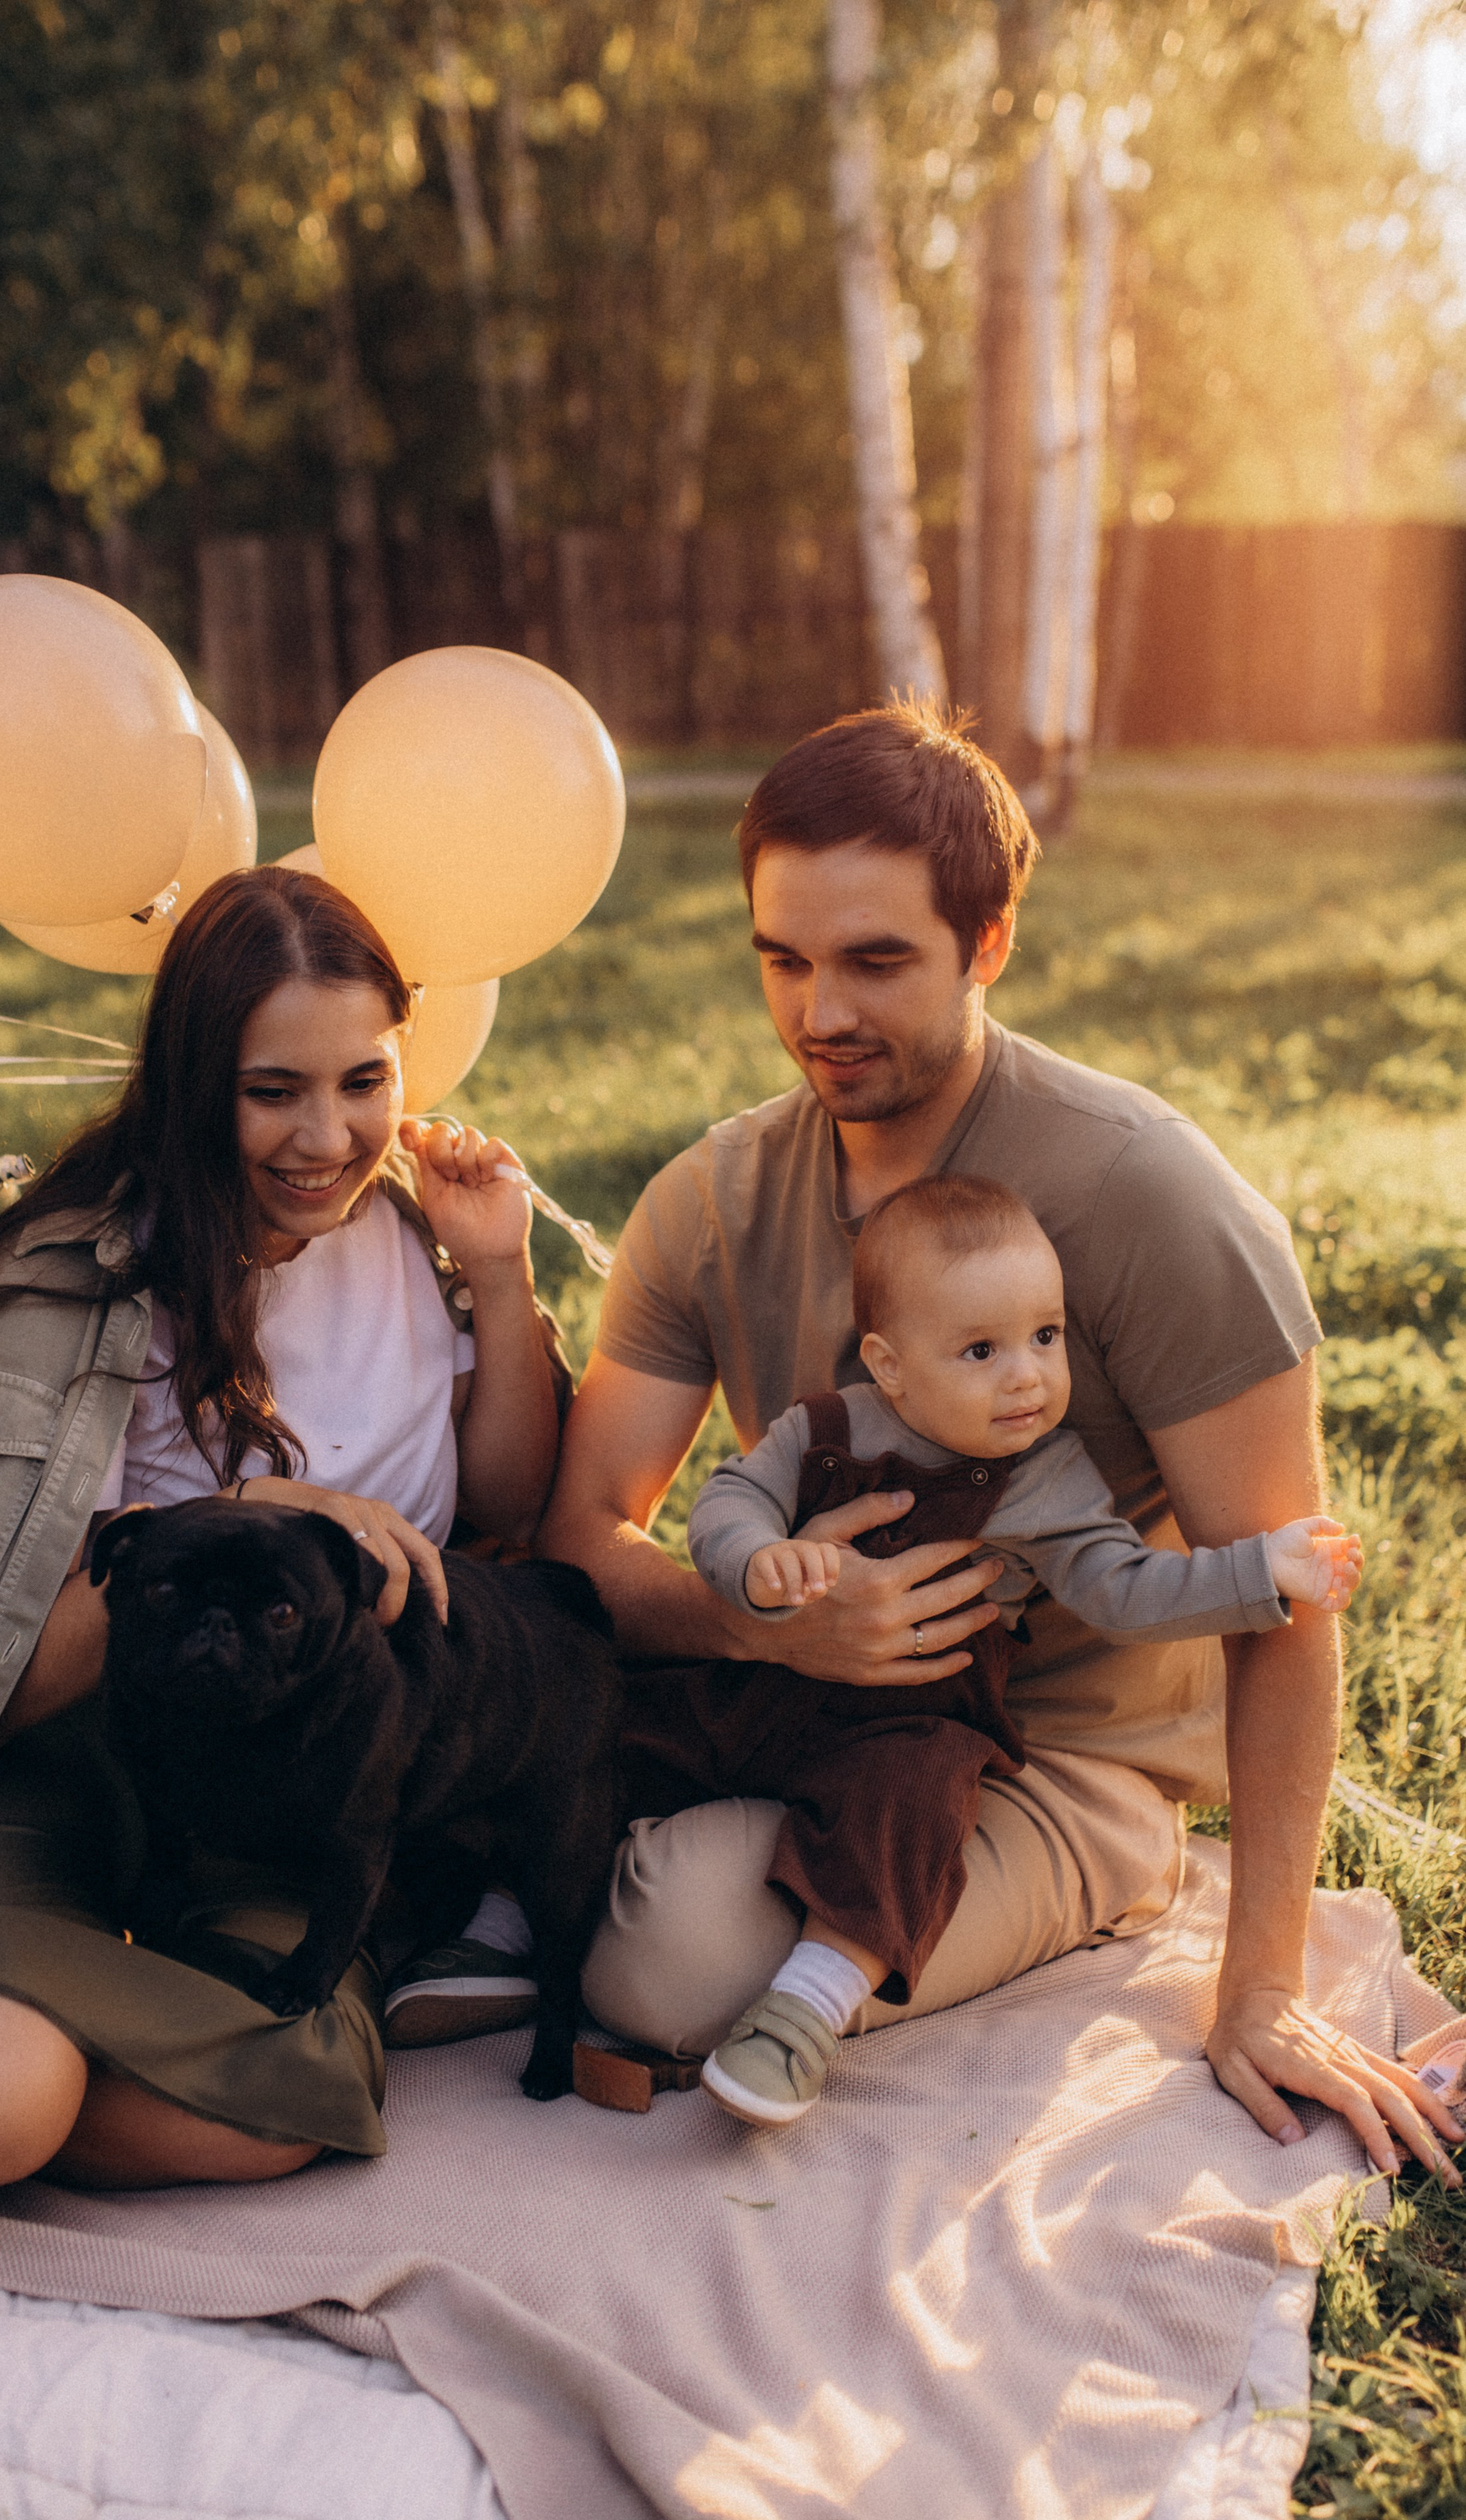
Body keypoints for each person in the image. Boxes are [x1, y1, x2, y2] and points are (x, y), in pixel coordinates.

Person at [534, 697, 1459, 2182]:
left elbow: (1282, 1600)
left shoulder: (1151, 1198)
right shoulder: (707, 1200)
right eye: (783, 958)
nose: (819, 1011)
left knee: (668, 1972)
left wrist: (1261, 1984)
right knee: (510, 1804)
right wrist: (765, 1625)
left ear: (989, 941)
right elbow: (579, 1529)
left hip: (1057, 1756)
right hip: (787, 1707)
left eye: (875, 961)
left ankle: (1095, 1878)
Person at [0, 865, 563, 2208]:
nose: (327, 1135)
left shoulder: (402, 1234)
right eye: (273, 1091)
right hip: (72, 1763)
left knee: (276, 2099)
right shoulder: (77, 1287)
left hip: (296, 1761)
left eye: (363, 1079)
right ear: (193, 1078)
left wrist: (498, 1272)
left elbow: (498, 1509)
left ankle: (10, 2075)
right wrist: (252, 1515)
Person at [676, 1171, 1362, 2127]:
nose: (1028, 1375)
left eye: (1046, 1336)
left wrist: (1259, 1571)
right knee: (642, 1724)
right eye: (982, 1349)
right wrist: (758, 1561)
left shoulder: (1041, 1475)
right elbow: (727, 1498)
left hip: (911, 1720)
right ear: (889, 1362)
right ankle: (502, 1919)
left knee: (911, 1814)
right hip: (771, 1684)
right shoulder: (824, 1426)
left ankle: (804, 2013)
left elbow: (1125, 1587)